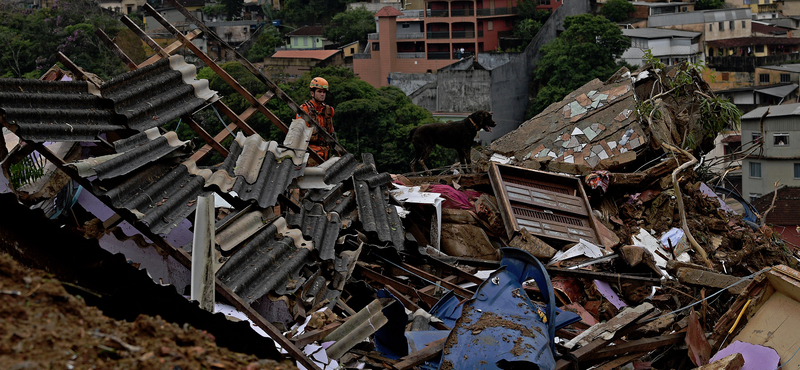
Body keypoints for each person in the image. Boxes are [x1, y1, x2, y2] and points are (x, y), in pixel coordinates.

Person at [297, 77, 335, 163]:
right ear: (312, 93)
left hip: (325, 154)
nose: (322, 94)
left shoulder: (327, 110)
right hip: (310, 155)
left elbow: (331, 132)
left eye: (324, 92)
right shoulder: (304, 110)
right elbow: (299, 133)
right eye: (319, 91)